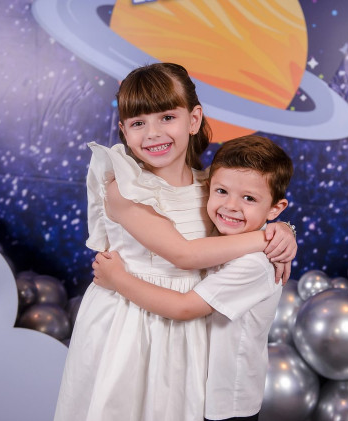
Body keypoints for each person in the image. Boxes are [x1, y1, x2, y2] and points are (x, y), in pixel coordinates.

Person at [53, 63, 297, 421]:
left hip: (189, 324)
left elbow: (247, 212)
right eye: (138, 123)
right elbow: (184, 254)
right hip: (130, 320)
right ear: (123, 131)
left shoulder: (212, 187)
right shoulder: (124, 189)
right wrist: (264, 238)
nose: (153, 133)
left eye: (167, 117)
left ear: (193, 120)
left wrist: (283, 230)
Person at [93, 135, 294, 421]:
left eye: (249, 198)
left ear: (275, 208)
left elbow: (184, 307)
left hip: (226, 401)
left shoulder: (255, 264)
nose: (231, 206)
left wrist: (118, 280)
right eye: (221, 191)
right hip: (196, 384)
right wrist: (285, 229)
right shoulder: (221, 235)